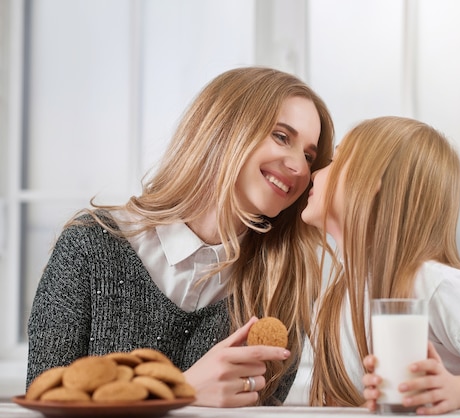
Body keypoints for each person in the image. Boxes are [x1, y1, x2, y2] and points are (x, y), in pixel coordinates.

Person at [27, 66, 334, 407]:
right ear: (223, 129)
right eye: (281, 136)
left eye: (309, 155)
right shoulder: (90, 247)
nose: (299, 168)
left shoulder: (285, 286)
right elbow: (43, 404)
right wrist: (179, 393)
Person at [301, 116, 460, 414]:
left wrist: (458, 390)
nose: (317, 171)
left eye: (338, 159)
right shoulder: (330, 300)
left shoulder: (433, 284)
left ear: (370, 183)